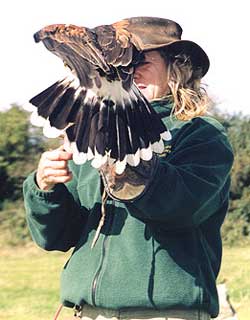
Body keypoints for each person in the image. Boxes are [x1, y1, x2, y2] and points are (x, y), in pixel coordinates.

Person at [23, 17, 234, 320]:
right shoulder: (90, 132)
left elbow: (181, 208)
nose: (128, 73)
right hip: (90, 313)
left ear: (176, 68)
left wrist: (128, 168)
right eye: (120, 63)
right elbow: (56, 238)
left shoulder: (201, 134)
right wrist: (45, 187)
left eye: (141, 61)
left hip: (163, 313)